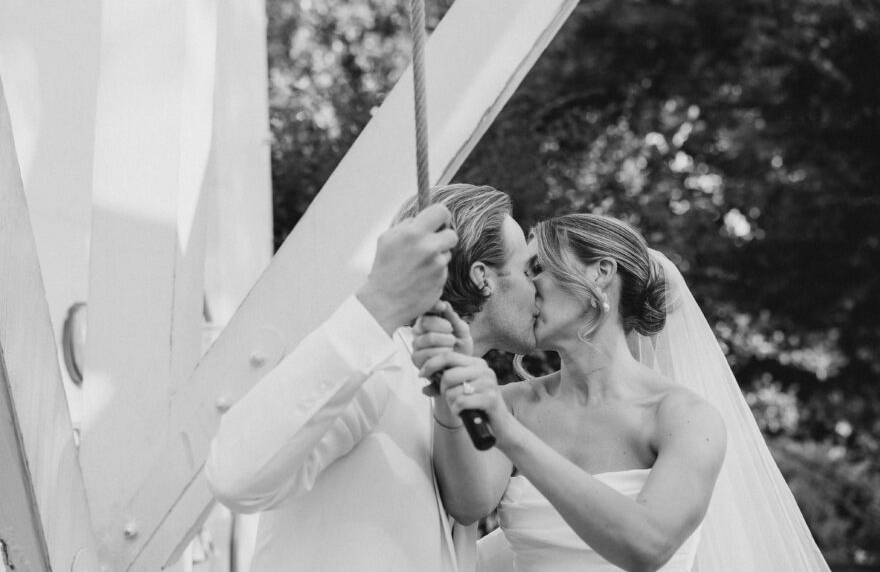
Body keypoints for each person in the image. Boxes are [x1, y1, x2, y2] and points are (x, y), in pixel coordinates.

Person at [415, 213, 829, 571]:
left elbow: (647, 547)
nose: (528, 287)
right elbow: (468, 506)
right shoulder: (513, 404)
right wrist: (444, 382)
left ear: (601, 272)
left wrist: (510, 434)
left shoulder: (683, 417)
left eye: (537, 267)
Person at [206, 184, 537, 572]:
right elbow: (236, 475)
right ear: (483, 276)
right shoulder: (379, 364)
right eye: (529, 269)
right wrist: (377, 302)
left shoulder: (468, 394)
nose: (540, 287)